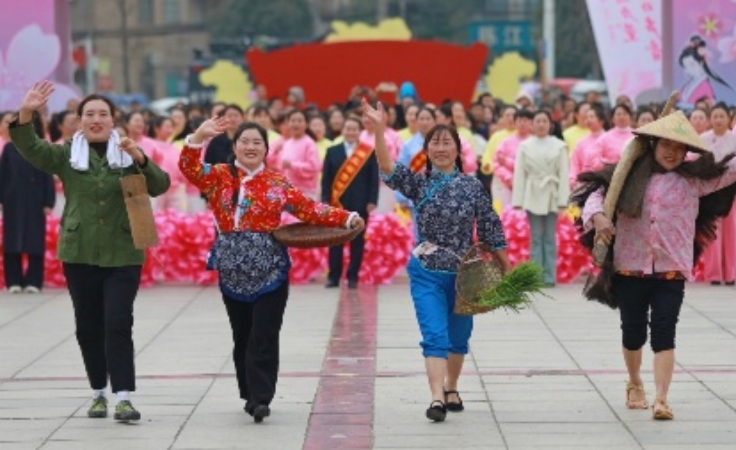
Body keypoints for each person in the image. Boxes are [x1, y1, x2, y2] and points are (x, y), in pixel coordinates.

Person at [572, 108, 736, 421]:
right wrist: (598, 217)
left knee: (664, 331)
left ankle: (662, 398)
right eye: (665, 146)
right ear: (653, 145)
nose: (671, 153)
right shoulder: (629, 174)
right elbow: (597, 194)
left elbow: (728, 172)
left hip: (670, 269)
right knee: (633, 332)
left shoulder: (693, 182)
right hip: (630, 266)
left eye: (678, 148)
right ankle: (635, 382)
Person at [179, 117, 364, 423]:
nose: (250, 147)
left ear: (266, 148)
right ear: (234, 146)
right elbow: (188, 167)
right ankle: (248, 393)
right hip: (232, 269)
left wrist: (347, 218)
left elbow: (309, 209)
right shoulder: (219, 176)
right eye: (244, 141)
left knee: (264, 333)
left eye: (257, 142)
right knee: (242, 335)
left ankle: (261, 397)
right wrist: (198, 135)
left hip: (271, 270)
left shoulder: (278, 183)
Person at [8, 81, 171, 422]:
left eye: (103, 114)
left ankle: (124, 397)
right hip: (79, 252)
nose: (96, 120)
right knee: (88, 326)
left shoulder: (127, 151)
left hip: (123, 252)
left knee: (117, 322)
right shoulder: (68, 153)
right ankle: (98, 392)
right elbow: (33, 149)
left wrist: (139, 158)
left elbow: (159, 185)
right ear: (79, 120)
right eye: (89, 114)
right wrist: (26, 113)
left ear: (114, 120)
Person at [362, 99, 510, 423]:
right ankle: (435, 398)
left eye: (447, 143)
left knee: (459, 337)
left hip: (464, 275)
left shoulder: (472, 187)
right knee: (435, 335)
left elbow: (490, 227)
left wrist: (508, 269)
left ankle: (451, 386)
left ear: (459, 150)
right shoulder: (419, 183)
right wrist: (377, 130)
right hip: (426, 271)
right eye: (435, 143)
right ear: (426, 149)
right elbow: (387, 167)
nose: (441, 148)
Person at [511, 110, 569, 287]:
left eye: (545, 121)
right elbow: (519, 173)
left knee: (550, 236)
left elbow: (564, 173)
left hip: (551, 192)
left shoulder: (559, 145)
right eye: (538, 121)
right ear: (532, 124)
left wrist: (562, 199)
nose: (541, 124)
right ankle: (536, 277)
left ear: (550, 124)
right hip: (532, 192)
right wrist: (518, 200)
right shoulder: (525, 146)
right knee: (536, 236)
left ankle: (550, 277)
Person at [0, 111, 56, 293]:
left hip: (35, 199)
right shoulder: (9, 148)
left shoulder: (42, 146)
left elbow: (48, 176)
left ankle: (34, 280)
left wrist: (48, 201)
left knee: (35, 241)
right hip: (13, 200)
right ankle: (14, 281)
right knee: (12, 240)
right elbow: (2, 176)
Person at [321, 117, 379, 288]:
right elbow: (326, 179)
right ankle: (334, 276)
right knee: (335, 240)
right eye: (348, 128)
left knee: (357, 240)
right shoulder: (332, 151)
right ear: (343, 130)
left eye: (354, 129)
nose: (351, 132)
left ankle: (353, 277)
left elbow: (373, 179)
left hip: (361, 202)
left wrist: (372, 200)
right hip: (337, 203)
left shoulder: (367, 152)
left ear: (359, 131)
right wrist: (325, 199)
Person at [701, 103, 736, 285]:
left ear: (729, 118)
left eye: (722, 116)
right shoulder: (703, 139)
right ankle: (714, 275)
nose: (718, 120)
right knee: (712, 233)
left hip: (732, 193)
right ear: (710, 119)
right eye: (715, 116)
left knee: (732, 234)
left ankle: (730, 274)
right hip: (710, 191)